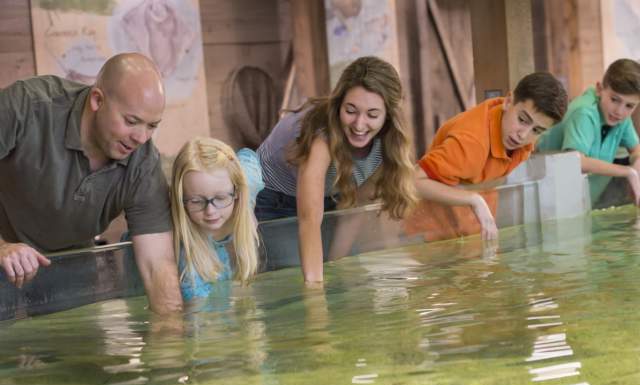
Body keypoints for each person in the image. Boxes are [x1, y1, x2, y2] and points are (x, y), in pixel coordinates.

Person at [0, 52, 182, 314]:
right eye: (131, 121)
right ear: (97, 100)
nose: (141, 137)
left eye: (152, 126)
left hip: (70, 261)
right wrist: (3, 247)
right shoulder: (28, 105)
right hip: (5, 245)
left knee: (80, 351)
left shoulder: (143, 164)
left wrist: (171, 336)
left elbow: (158, 265)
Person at [255, 56, 417, 284]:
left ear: (388, 115)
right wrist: (315, 299)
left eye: (372, 115)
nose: (359, 125)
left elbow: (355, 203)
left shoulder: (387, 143)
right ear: (339, 103)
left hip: (331, 194)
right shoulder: (321, 135)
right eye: (351, 111)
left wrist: (336, 268)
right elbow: (309, 220)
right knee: (292, 278)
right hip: (275, 199)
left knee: (345, 274)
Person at [411, 72, 568, 240]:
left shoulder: (522, 140)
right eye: (522, 120)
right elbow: (412, 181)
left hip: (475, 230)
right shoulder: (471, 143)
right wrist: (474, 199)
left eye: (537, 130)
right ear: (508, 102)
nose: (523, 135)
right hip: (433, 235)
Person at [536, 58, 640, 206]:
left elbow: (636, 149)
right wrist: (628, 172)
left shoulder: (622, 118)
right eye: (614, 100)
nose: (619, 111)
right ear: (599, 89)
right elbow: (576, 161)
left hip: (583, 201)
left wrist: (637, 163)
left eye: (629, 105)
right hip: (550, 198)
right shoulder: (584, 112)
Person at [171, 137, 263, 301]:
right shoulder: (187, 263)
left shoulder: (244, 186)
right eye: (196, 201)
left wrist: (246, 207)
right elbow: (199, 315)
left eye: (220, 198)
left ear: (237, 190)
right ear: (180, 199)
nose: (211, 211)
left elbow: (249, 156)